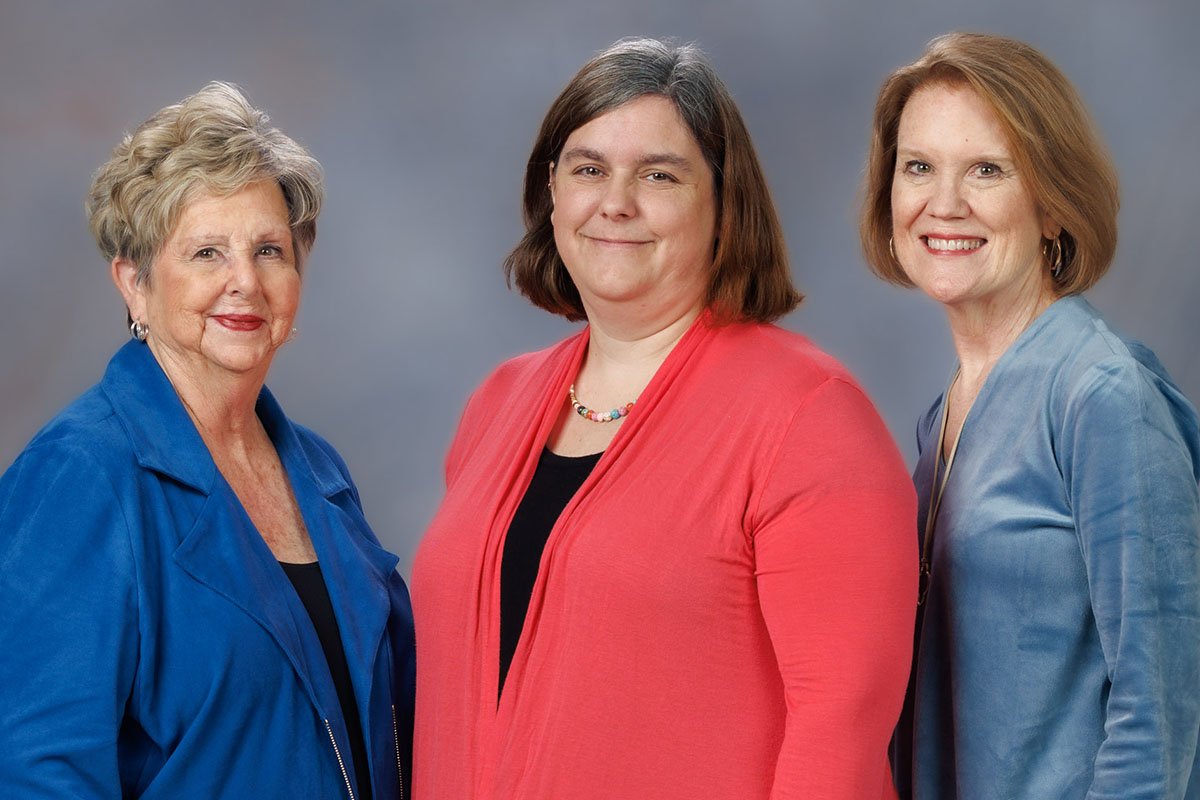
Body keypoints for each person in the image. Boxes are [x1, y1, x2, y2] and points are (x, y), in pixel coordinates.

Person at [412, 37, 916, 799]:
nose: (615, 202)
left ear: (722, 204)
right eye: (588, 170)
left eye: (659, 175)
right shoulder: (498, 404)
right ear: (552, 191)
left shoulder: (810, 419)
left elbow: (838, 740)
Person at [0, 82, 414, 799]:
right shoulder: (78, 478)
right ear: (135, 283)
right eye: (206, 253)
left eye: (268, 250)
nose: (244, 282)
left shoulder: (320, 472)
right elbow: (34, 773)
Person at [860, 32, 1200, 800]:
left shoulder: (1103, 398)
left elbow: (1165, 713)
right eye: (919, 167)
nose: (943, 203)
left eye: (986, 169)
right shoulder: (941, 419)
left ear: (1051, 205)